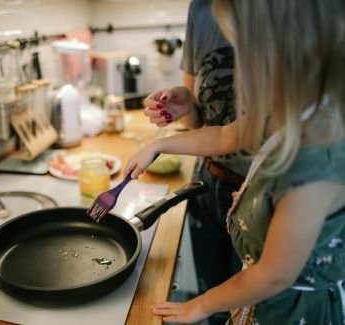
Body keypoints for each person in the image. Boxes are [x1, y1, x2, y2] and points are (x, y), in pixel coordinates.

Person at [125, 0, 345, 323]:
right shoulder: (290, 111)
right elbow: (222, 136)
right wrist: (159, 145)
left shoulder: (315, 163)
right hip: (261, 300)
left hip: (290, 312)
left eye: (246, 50)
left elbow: (273, 275)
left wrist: (202, 304)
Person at [144, 1, 244, 322]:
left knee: (247, 309)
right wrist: (184, 107)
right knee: (213, 306)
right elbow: (205, 126)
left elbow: (273, 275)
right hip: (209, 184)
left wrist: (162, 145)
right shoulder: (202, 9)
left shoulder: (302, 13)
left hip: (264, 194)